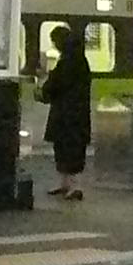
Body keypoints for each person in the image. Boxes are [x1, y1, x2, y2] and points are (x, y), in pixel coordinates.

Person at [39, 26, 94, 202]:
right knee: (69, 147)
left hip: (68, 113)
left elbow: (57, 84)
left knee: (68, 148)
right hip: (74, 112)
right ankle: (67, 184)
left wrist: (44, 90)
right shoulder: (78, 59)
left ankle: (73, 185)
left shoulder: (69, 61)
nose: (55, 45)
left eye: (55, 41)